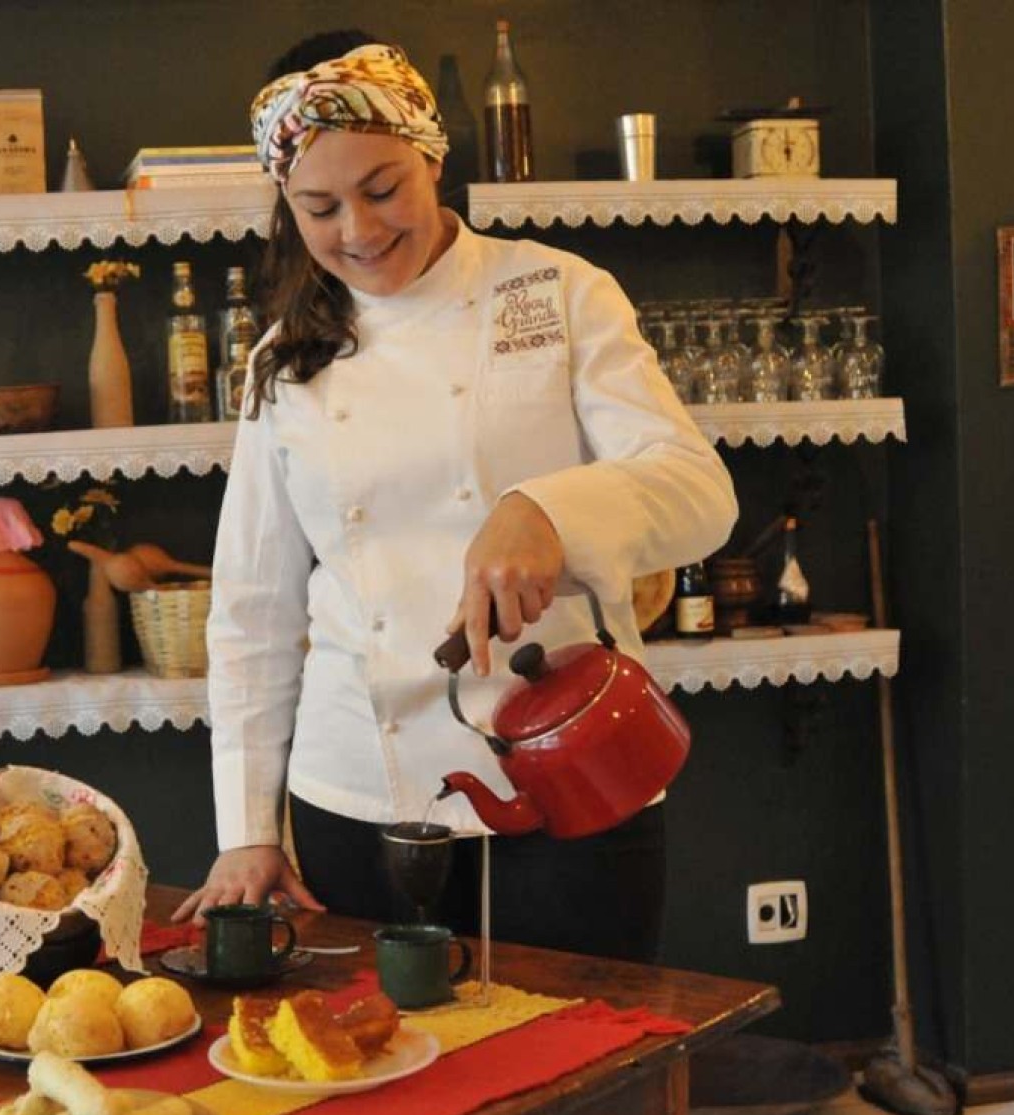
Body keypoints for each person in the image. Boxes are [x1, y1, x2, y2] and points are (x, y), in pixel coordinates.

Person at [172, 34, 736, 963]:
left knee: (585, 1065)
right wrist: (249, 825)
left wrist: (546, 510)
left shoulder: (557, 294)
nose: (356, 229)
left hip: (575, 770)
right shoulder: (284, 359)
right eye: (318, 207)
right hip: (360, 795)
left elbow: (698, 492)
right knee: (396, 1077)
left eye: (383, 188)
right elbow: (253, 612)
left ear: (432, 155)